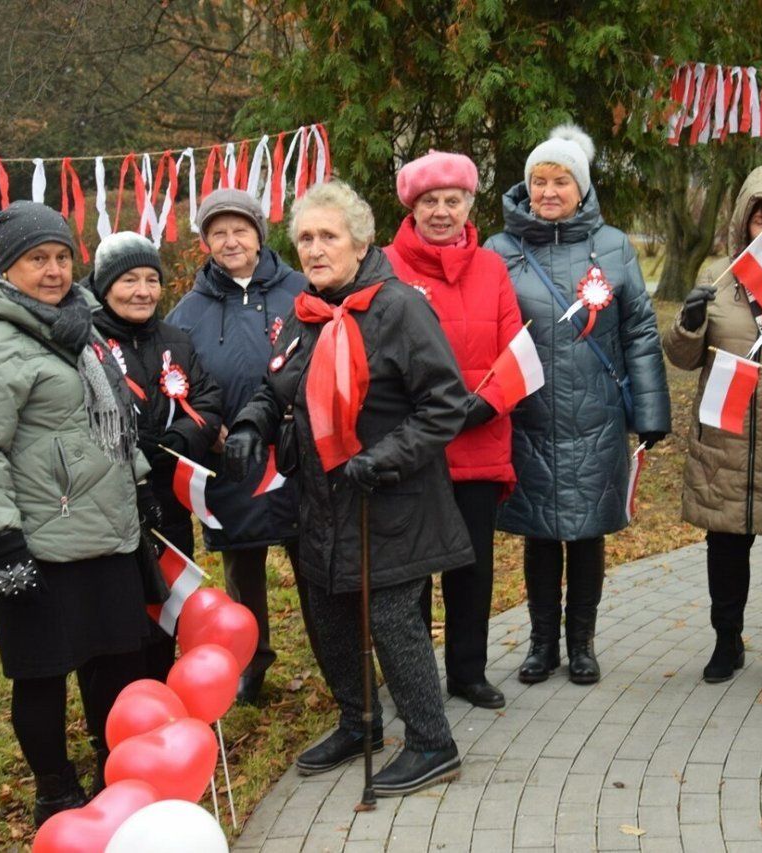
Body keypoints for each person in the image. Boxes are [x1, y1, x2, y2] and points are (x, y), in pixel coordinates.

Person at [225, 181, 471, 796]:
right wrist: (255, 422)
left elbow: (445, 406)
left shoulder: (399, 309)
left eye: (327, 236)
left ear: (360, 243)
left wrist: (385, 456)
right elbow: (275, 385)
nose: (314, 248)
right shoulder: (306, 311)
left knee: (391, 619)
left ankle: (432, 742)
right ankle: (358, 722)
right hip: (323, 500)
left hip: (393, 498)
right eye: (305, 237)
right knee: (328, 614)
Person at [0, 202, 154, 823]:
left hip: (104, 528)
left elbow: (107, 424)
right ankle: (55, 791)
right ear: (7, 267)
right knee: (42, 673)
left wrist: (139, 484)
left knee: (116, 660)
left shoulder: (75, 323)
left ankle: (113, 768)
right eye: (38, 259)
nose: (55, 270)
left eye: (63, 257)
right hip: (36, 540)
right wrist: (2, 541)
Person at [484, 126, 671, 686]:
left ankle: (582, 644)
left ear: (580, 187)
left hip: (596, 419)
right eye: (538, 180)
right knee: (540, 534)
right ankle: (541, 644)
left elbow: (638, 329)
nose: (547, 191)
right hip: (529, 418)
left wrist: (651, 411)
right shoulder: (501, 250)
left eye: (560, 180)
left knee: (587, 533)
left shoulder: (613, 247)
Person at [663, 167, 762, 691]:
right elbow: (684, 357)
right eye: (760, 218)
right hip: (726, 435)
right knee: (726, 547)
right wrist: (687, 323)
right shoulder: (719, 274)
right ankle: (726, 640)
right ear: (743, 222)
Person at [382, 150, 525, 709]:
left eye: (453, 200)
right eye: (430, 202)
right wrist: (428, 416)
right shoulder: (386, 266)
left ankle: (468, 671)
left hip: (479, 440)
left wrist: (482, 406)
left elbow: (517, 349)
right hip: (414, 448)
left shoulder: (492, 268)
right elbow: (376, 355)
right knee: (411, 572)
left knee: (471, 567)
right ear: (412, 207)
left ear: (469, 204)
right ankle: (414, 680)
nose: (442, 212)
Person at [166, 188, 306, 703]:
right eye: (218, 232)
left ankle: (333, 650)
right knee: (243, 568)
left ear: (258, 235)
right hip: (232, 456)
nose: (231, 241)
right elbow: (177, 381)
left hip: (296, 452)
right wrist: (209, 426)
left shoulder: (301, 288)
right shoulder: (188, 311)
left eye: (239, 230)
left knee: (310, 556)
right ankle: (252, 661)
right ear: (205, 242)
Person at [88, 232, 223, 678]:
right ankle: (121, 703)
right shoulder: (86, 345)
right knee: (121, 610)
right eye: (129, 280)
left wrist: (176, 444)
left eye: (151, 279)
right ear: (104, 287)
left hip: (169, 498)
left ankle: (163, 687)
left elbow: (206, 399)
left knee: (168, 600)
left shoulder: (176, 340)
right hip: (110, 502)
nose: (143, 291)